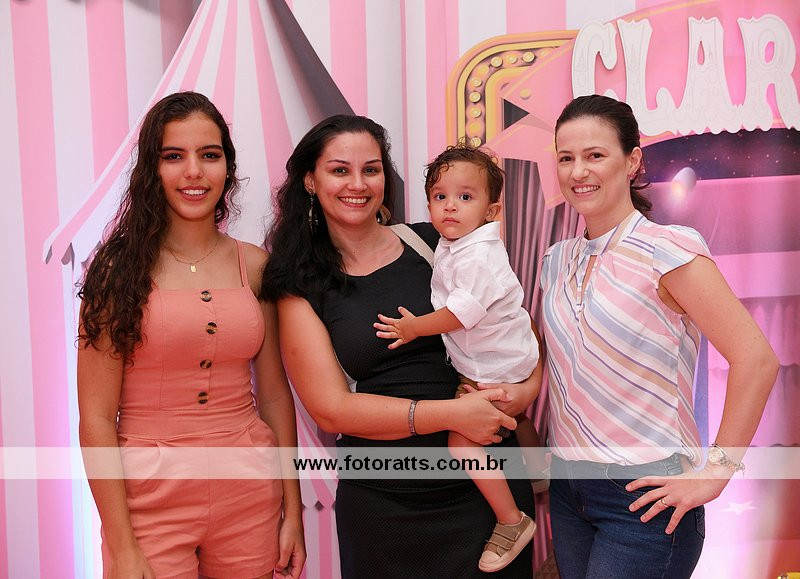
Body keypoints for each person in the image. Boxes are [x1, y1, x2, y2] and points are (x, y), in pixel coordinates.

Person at [261, 114, 542, 578]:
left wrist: (525, 390)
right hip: (383, 505)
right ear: (310, 180)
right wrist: (451, 415)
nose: (358, 184)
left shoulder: (438, 241)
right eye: (340, 170)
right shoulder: (299, 283)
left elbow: (517, 326)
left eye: (371, 169)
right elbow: (331, 410)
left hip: (486, 500)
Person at [540, 94, 778, 578]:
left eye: (595, 155)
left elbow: (756, 359)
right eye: (566, 158)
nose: (578, 171)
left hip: (647, 494)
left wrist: (716, 472)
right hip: (568, 489)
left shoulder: (667, 249)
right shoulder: (555, 259)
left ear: (632, 161)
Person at [77, 91, 305, 578]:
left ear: (228, 166)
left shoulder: (255, 265)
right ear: (151, 169)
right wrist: (121, 545)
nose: (194, 172)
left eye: (209, 155)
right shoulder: (116, 272)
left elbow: (273, 396)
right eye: (174, 156)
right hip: (147, 500)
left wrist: (294, 512)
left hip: (249, 492)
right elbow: (95, 418)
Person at [373, 143, 539, 572]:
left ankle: (512, 521)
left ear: (491, 211)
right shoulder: (456, 244)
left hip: (498, 366)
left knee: (461, 445)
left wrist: (413, 328)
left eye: (465, 197)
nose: (450, 206)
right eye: (440, 196)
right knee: (511, 418)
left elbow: (460, 314)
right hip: (498, 357)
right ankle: (538, 471)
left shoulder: (479, 255)